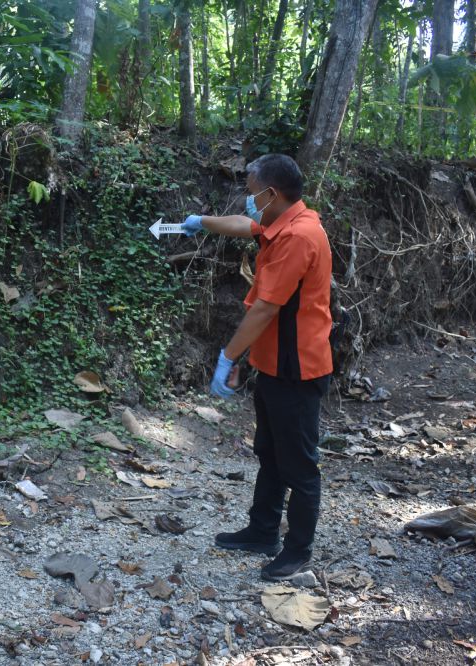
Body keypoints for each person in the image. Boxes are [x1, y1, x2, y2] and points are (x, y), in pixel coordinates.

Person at [181, 154, 332, 581]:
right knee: (269, 453)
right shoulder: (279, 222)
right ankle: (262, 531)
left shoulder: (299, 237)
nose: (249, 202)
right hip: (274, 365)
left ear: (271, 193)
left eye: (251, 194)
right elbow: (240, 224)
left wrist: (228, 356)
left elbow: (265, 308)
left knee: (299, 464)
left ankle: (297, 550)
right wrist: (199, 221)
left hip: (298, 370)